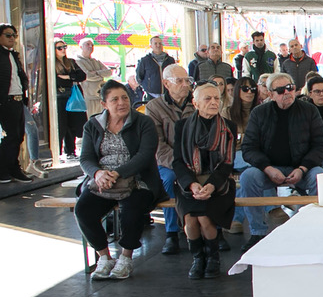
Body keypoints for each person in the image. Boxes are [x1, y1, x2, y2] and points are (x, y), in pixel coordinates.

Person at [77, 80, 167, 280]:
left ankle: (126, 257)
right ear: (104, 104)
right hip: (103, 181)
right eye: (115, 99)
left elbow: (145, 155)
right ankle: (104, 257)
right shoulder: (92, 125)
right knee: (83, 210)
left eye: (125, 98)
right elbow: (86, 158)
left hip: (137, 179)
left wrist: (118, 173)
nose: (122, 103)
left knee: (132, 209)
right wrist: (98, 174)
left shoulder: (143, 122)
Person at [238, 72, 323, 247]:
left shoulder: (309, 110)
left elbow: (321, 145)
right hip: (268, 169)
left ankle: (316, 228)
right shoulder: (259, 113)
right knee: (248, 177)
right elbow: (248, 148)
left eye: (290, 88)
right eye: (280, 90)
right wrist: (267, 168)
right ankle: (257, 232)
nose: (287, 92)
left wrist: (303, 168)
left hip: (303, 168)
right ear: (271, 94)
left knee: (321, 176)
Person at [172, 83, 236, 279]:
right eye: (208, 99)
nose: (214, 102)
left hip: (219, 182)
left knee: (205, 217)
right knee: (190, 218)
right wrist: (191, 184)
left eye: (217, 98)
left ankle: (213, 258)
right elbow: (178, 161)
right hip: (190, 181)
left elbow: (227, 163)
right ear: (196, 103)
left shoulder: (228, 127)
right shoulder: (182, 126)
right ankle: (198, 258)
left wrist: (211, 185)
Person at [145, 64, 195, 255]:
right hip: (168, 160)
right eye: (179, 81)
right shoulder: (154, 107)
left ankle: (210, 230)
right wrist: (179, 164)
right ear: (166, 84)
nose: (185, 85)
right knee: (169, 180)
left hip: (194, 158)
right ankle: (171, 232)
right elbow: (157, 144)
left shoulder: (197, 102)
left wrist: (193, 161)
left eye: (187, 80)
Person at [226, 76, 261, 235]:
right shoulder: (227, 112)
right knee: (256, 166)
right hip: (234, 153)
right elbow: (227, 141)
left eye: (253, 89)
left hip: (255, 153)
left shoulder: (260, 111)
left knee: (249, 174)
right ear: (237, 91)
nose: (250, 92)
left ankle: (237, 219)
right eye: (245, 89)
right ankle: (272, 207)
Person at [0, 23, 31, 183]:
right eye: (8, 35)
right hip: (6, 101)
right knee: (10, 136)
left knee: (18, 136)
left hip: (18, 100)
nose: (12, 38)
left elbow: (20, 77)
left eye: (14, 35)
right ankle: (5, 169)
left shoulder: (13, 55)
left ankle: (13, 168)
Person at [53, 40, 87, 159]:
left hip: (71, 96)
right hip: (58, 97)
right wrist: (71, 78)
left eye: (64, 47)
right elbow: (56, 80)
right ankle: (57, 153)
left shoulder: (71, 62)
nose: (63, 50)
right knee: (61, 125)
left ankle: (70, 151)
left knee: (72, 125)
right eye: (59, 48)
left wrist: (67, 77)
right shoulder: (51, 63)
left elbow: (82, 76)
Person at [76, 38, 111, 118]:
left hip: (100, 96)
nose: (90, 47)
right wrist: (100, 74)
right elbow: (86, 76)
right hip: (87, 98)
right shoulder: (77, 61)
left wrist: (95, 73)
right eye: (87, 44)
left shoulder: (96, 61)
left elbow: (109, 72)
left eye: (92, 45)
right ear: (81, 47)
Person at [135, 35, 175, 100]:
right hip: (151, 96)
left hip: (168, 94)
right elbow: (139, 77)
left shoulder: (170, 60)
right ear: (151, 46)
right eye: (155, 43)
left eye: (160, 43)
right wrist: (147, 87)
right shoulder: (145, 60)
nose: (158, 45)